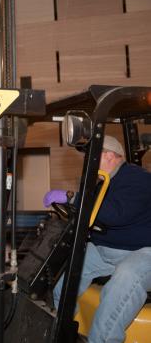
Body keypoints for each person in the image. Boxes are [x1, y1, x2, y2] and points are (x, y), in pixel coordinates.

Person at [44, 135, 151, 343]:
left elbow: (117, 214)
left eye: (93, 156)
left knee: (125, 278)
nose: (88, 162)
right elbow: (94, 211)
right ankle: (61, 331)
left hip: (143, 252)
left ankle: (102, 339)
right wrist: (72, 204)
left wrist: (72, 198)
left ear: (110, 155)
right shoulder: (105, 181)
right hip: (108, 249)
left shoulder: (138, 179)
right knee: (66, 274)